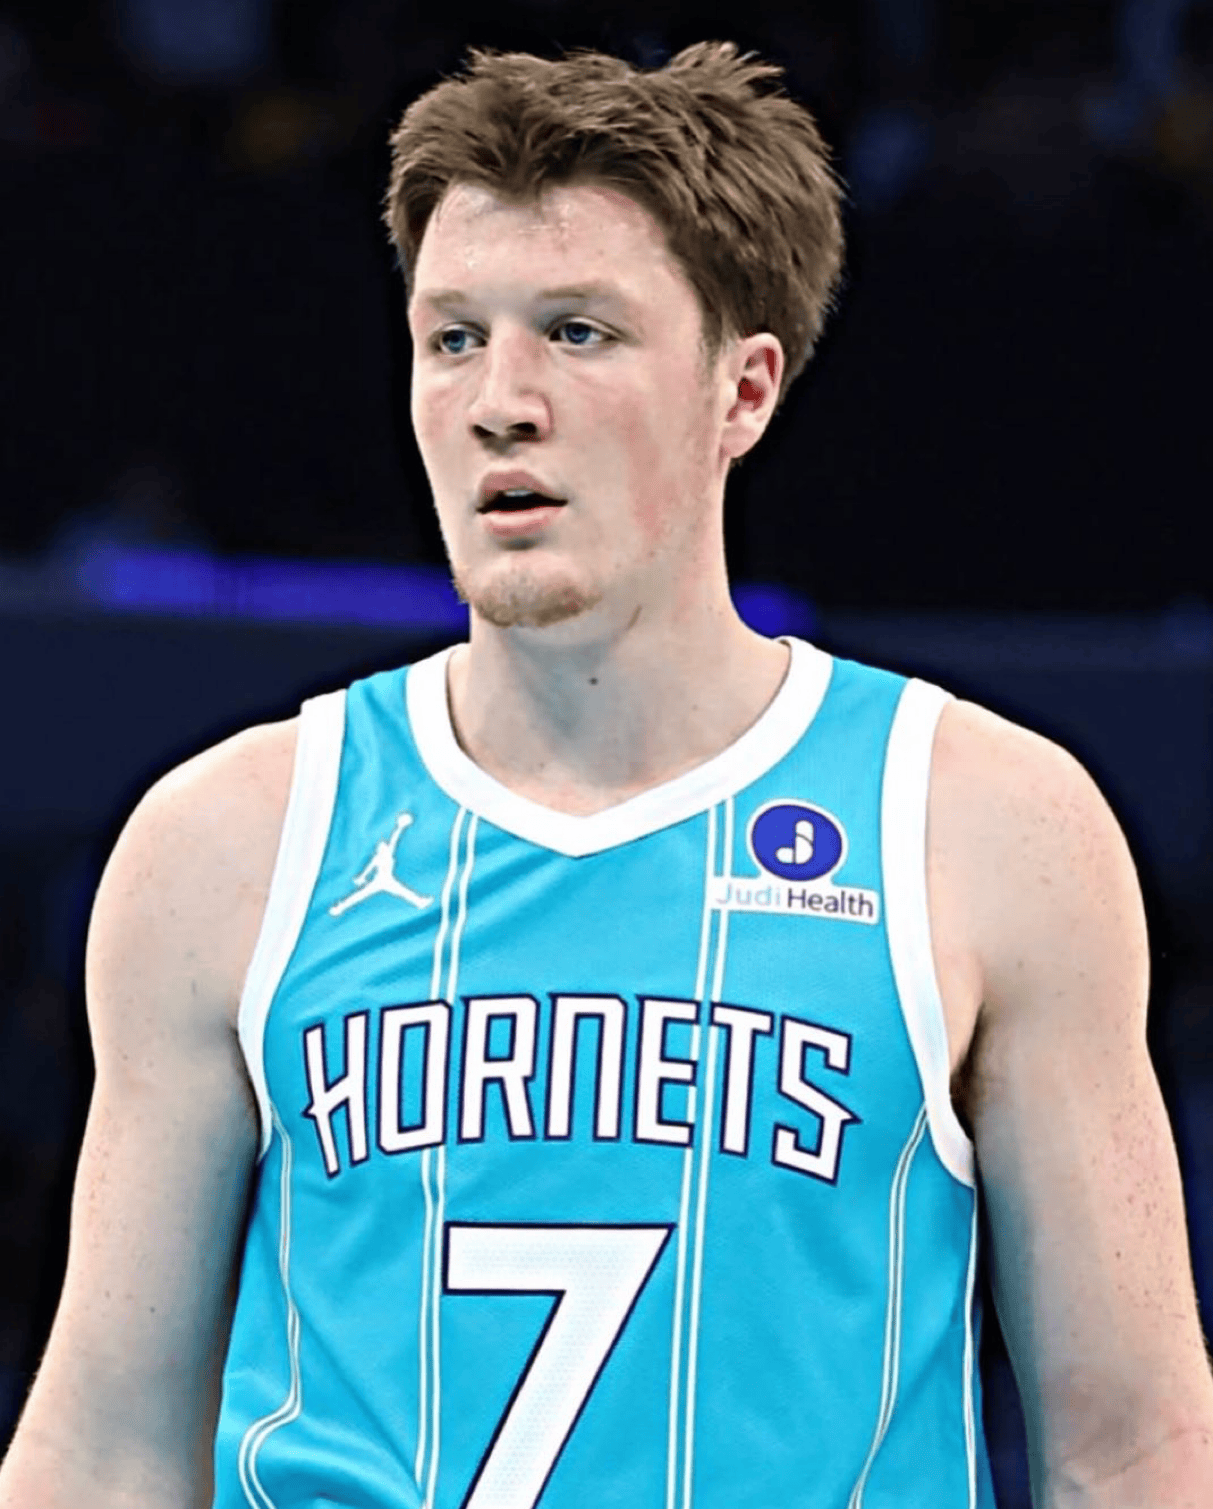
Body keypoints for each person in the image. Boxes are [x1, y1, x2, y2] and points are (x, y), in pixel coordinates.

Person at [2, 38, 1212, 1509]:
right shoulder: (226, 840)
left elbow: (1132, 1449)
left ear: (742, 391)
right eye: (454, 338)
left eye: (577, 332)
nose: (500, 400)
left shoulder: (990, 825)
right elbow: (104, 1452)